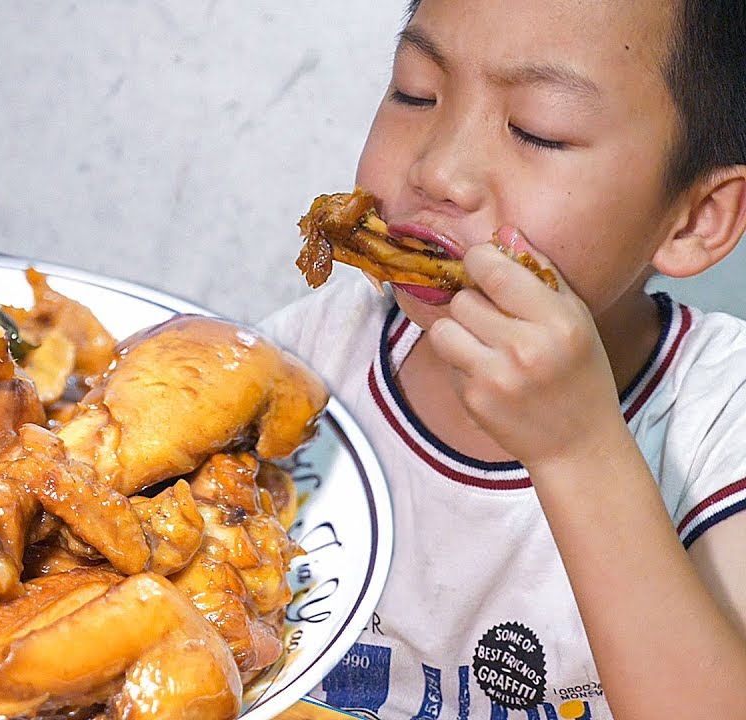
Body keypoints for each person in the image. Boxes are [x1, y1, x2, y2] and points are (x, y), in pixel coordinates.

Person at [260, 1, 746, 718]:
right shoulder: (304, 363)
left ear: (695, 220)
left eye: (537, 130)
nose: (439, 171)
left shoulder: (720, 419)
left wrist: (576, 449)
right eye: (415, 93)